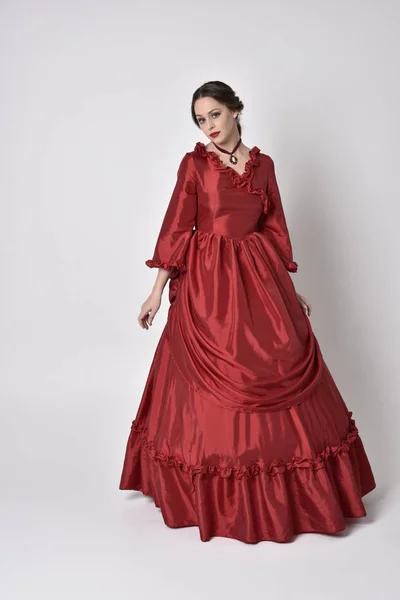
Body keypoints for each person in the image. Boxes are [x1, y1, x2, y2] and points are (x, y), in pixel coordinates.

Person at [119, 80, 376, 544]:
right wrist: (156, 291)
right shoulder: (195, 164)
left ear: (236, 110)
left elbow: (274, 226)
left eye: (215, 114)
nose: (208, 126)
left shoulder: (265, 166)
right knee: (213, 382)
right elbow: (177, 226)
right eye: (200, 119)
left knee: (281, 360)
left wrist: (287, 288)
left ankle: (291, 492)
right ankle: (214, 489)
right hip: (208, 286)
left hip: (260, 279)